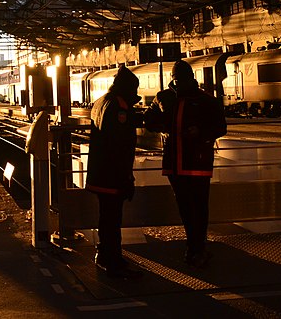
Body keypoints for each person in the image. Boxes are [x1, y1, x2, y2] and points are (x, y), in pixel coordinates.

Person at [143, 59, 227, 268]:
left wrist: (200, 131)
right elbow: (149, 121)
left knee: (196, 207)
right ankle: (196, 248)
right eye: (176, 80)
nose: (178, 83)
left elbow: (220, 127)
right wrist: (166, 126)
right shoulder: (167, 98)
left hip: (192, 163)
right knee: (190, 207)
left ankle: (196, 248)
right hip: (180, 163)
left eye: (181, 79)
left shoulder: (204, 100)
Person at [85, 65, 143, 279]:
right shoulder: (119, 106)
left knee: (106, 218)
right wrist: (127, 178)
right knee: (113, 219)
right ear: (127, 87)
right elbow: (120, 145)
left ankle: (106, 255)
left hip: (100, 172)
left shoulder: (100, 101)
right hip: (113, 175)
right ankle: (113, 260)